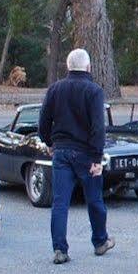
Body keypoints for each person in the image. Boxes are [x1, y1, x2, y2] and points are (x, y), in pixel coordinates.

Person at [39, 48, 112, 262]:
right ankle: (100, 241)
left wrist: (49, 142)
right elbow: (98, 127)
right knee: (95, 200)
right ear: (89, 67)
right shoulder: (94, 91)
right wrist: (97, 158)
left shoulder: (55, 89)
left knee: (60, 202)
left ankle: (60, 249)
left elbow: (43, 121)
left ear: (68, 66)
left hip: (61, 151)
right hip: (86, 154)